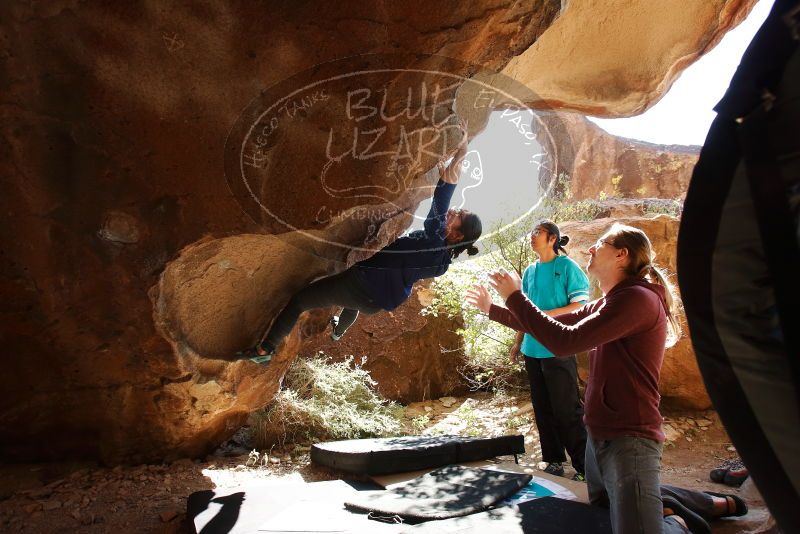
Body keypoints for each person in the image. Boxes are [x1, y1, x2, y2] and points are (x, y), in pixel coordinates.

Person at [466, 223, 747, 533]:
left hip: (630, 436)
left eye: (599, 244)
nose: (590, 248)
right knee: (604, 509)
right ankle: (700, 502)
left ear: (621, 255)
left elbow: (565, 342)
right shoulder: (610, 302)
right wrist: (492, 308)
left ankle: (679, 520)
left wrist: (516, 297)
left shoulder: (637, 299)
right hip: (599, 434)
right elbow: (549, 325)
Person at [237, 126, 482, 365]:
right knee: (347, 301)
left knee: (301, 300)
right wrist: (446, 168)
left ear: (458, 236)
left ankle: (265, 349)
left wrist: (461, 153)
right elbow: (441, 204)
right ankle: (337, 333)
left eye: (458, 215)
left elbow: (441, 202)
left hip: (363, 285)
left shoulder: (434, 246)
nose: (453, 211)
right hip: (371, 296)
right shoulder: (440, 259)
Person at [510, 221, 589, 481]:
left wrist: (544, 317)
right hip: (532, 349)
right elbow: (523, 312)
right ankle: (553, 460)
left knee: (567, 409)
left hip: (559, 346)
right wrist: (517, 341)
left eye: (538, 233)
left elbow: (579, 305)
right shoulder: (530, 271)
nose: (532, 237)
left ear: (552, 238)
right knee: (542, 408)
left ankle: (586, 468)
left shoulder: (567, 267)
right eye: (531, 233)